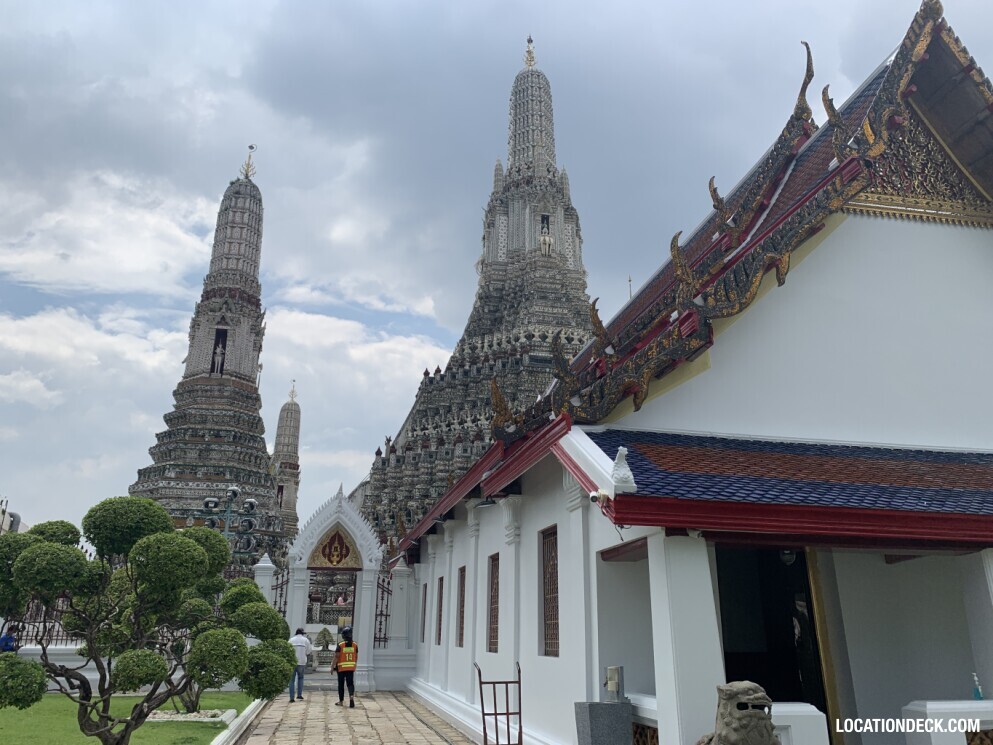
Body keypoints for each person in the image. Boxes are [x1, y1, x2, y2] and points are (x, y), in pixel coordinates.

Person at [332, 625, 358, 708]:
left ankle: (341, 701)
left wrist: (332, 666)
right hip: (351, 668)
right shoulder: (355, 645)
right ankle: (351, 697)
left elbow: (337, 657)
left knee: (341, 685)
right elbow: (356, 657)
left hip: (341, 668)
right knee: (350, 684)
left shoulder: (341, 645)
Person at [288, 628, 313, 702]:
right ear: (302, 633)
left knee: (291, 680)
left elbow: (287, 650)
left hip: (292, 662)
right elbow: (309, 651)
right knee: (300, 678)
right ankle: (299, 695)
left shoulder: (291, 640)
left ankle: (291, 698)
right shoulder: (305, 640)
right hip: (301, 662)